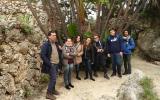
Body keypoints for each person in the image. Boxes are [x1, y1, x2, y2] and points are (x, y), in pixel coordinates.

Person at [40, 31, 60, 100]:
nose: (55, 36)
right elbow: (42, 55)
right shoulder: (46, 45)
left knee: (55, 78)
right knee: (53, 78)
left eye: (55, 35)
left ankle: (53, 90)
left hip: (56, 63)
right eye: (53, 35)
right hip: (52, 64)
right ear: (49, 36)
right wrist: (49, 64)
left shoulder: (55, 44)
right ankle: (48, 94)